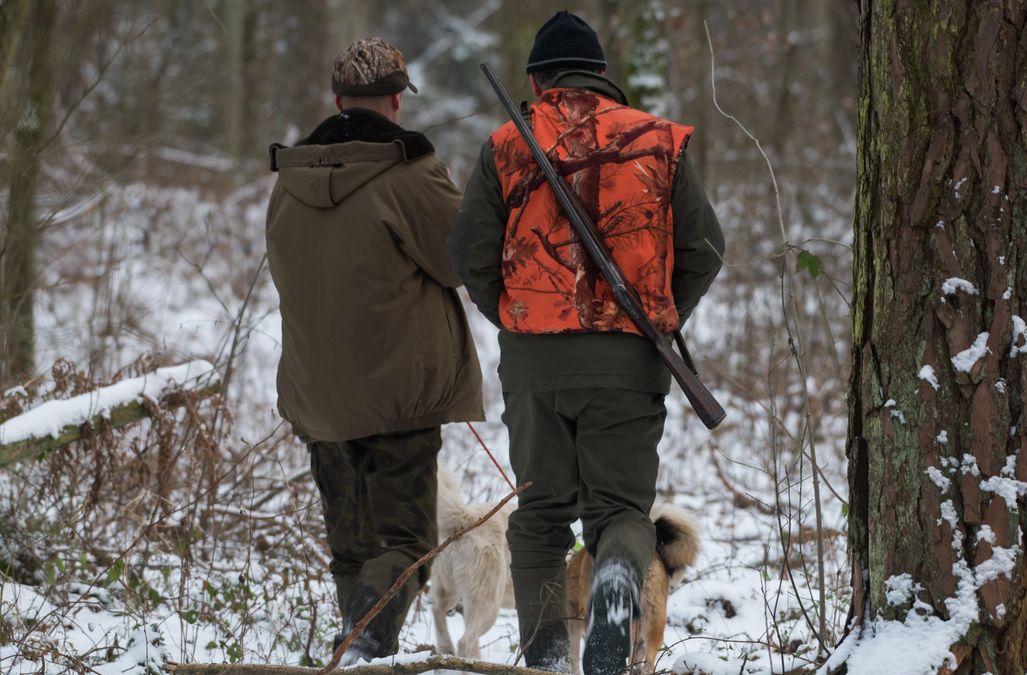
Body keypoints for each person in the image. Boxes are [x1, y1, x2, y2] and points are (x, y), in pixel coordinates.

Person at [449, 11, 724, 674]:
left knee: (540, 513)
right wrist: (658, 318)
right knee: (621, 513)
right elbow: (707, 247)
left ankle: (545, 659)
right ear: (603, 77)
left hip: (534, 364)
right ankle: (611, 598)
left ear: (538, 79)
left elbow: (469, 253)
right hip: (630, 361)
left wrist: (517, 319)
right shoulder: (659, 142)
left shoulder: (506, 145)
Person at [265, 37, 483, 662]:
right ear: (396, 100)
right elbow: (459, 259)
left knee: (353, 545)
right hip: (399, 396)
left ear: (337, 101)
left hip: (318, 396)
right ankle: (363, 647)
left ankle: (355, 644)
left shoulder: (289, 180)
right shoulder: (407, 173)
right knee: (407, 541)